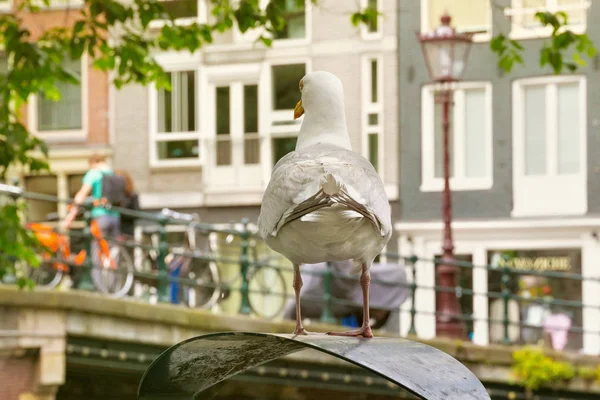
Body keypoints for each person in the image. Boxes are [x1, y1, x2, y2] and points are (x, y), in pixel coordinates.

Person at [115, 169, 139, 237]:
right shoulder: (113, 196)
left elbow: (136, 213)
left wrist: (122, 212)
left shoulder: (132, 195)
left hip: (126, 230)